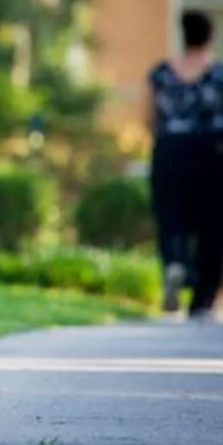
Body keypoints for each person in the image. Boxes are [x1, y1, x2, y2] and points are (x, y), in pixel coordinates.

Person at [146, 10, 223, 320]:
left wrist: (167, 138)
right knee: (213, 225)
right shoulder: (218, 75)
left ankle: (175, 263)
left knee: (171, 217)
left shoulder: (162, 74)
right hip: (213, 153)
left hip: (170, 150)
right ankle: (203, 298)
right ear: (210, 36)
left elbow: (148, 118)